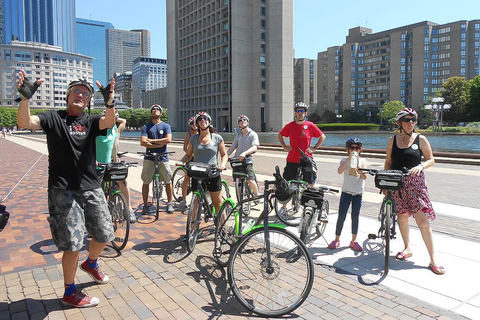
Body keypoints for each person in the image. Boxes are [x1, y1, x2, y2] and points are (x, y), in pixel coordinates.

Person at [16, 69, 117, 307]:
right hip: (63, 190)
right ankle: (70, 291)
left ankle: (91, 263)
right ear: (67, 96)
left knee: (104, 234)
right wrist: (25, 99)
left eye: (85, 93)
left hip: (92, 186)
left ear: (90, 100)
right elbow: (24, 122)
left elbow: (108, 121)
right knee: (73, 243)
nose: (80, 95)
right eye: (75, 91)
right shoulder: (54, 118)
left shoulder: (91, 121)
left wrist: (110, 102)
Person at [385, 107, 444, 275]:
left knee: (423, 222)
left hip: (416, 184)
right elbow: (388, 161)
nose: (411, 123)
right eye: (407, 120)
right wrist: (385, 183)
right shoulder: (392, 140)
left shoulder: (421, 139)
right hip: (397, 183)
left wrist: (421, 165)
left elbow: (431, 159)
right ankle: (407, 248)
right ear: (399, 123)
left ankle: (433, 259)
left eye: (413, 120)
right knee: (402, 218)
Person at [175, 111, 228, 215]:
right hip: (198, 174)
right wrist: (181, 161)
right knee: (196, 203)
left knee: (218, 203)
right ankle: (193, 228)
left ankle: (223, 227)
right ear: (197, 123)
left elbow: (224, 155)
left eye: (205, 118)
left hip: (213, 173)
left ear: (209, 121)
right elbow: (188, 155)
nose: (202, 120)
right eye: (199, 119)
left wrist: (222, 165)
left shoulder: (217, 138)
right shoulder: (193, 139)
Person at [95, 110, 136, 223]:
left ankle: (128, 209)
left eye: (112, 120)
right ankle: (96, 219)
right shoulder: (96, 129)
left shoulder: (115, 130)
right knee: (98, 191)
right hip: (97, 164)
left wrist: (116, 163)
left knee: (123, 181)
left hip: (109, 162)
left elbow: (114, 149)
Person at [328, 137, 368, 251]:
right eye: (352, 148)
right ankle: (336, 239)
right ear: (348, 150)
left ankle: (354, 240)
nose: (354, 150)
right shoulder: (344, 160)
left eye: (357, 148)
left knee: (355, 217)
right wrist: (350, 160)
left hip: (358, 193)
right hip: (346, 192)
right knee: (341, 216)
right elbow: (340, 171)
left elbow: (364, 177)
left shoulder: (363, 161)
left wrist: (359, 169)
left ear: (360, 149)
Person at [277, 102, 326, 187]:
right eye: (298, 111)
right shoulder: (290, 126)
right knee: (288, 183)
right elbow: (280, 135)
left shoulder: (310, 125)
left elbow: (322, 137)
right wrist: (284, 146)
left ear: (305, 113)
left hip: (306, 158)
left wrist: (315, 148)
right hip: (293, 158)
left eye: (302, 111)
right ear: (295, 113)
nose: (300, 113)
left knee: (310, 183)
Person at [140, 104, 174, 214]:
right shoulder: (146, 126)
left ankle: (169, 203)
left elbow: (168, 140)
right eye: (153, 109)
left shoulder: (165, 126)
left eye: (158, 109)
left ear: (161, 113)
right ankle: (145, 204)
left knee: (168, 180)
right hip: (149, 157)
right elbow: (143, 141)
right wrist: (159, 144)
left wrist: (152, 142)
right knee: (146, 181)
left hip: (163, 157)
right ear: (151, 113)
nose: (155, 110)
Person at [227, 114, 260, 197]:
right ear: (238, 124)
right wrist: (225, 155)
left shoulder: (253, 134)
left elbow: (255, 146)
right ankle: (240, 199)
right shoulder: (238, 136)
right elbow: (232, 147)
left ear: (248, 122)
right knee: (238, 180)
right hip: (237, 160)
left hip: (247, 160)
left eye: (244, 120)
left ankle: (257, 194)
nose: (242, 121)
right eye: (240, 120)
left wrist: (245, 153)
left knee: (250, 180)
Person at [178, 116, 197, 211]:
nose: (194, 125)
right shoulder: (188, 134)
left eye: (195, 123)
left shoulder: (201, 132)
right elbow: (184, 147)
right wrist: (190, 154)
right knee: (187, 178)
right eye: (192, 123)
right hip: (190, 158)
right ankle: (184, 200)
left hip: (199, 158)